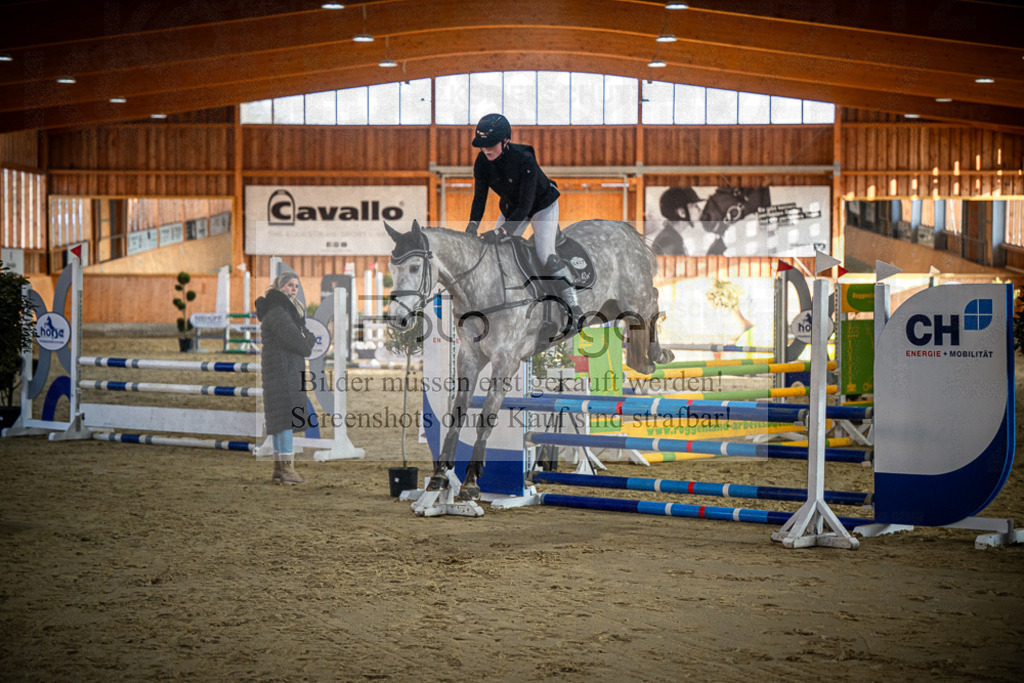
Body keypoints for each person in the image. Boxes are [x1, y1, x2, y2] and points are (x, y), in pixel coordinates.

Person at [465, 113, 582, 332]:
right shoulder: (482, 162)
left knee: (545, 254)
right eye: (482, 145)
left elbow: (527, 204)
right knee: (494, 252)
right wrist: (472, 225)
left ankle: (574, 306)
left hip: (541, 206)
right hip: (512, 207)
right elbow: (480, 197)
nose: (486, 149)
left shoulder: (524, 157)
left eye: (491, 144)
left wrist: (502, 232)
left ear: (505, 141)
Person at [255, 271, 317, 485]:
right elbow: (300, 344)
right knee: (286, 421)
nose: (294, 289)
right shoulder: (280, 311)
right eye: (290, 285)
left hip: (280, 371)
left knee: (280, 422)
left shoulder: (280, 310)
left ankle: (279, 469)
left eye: (296, 286)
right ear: (280, 286)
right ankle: (288, 471)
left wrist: (304, 337)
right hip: (283, 372)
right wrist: (309, 339)